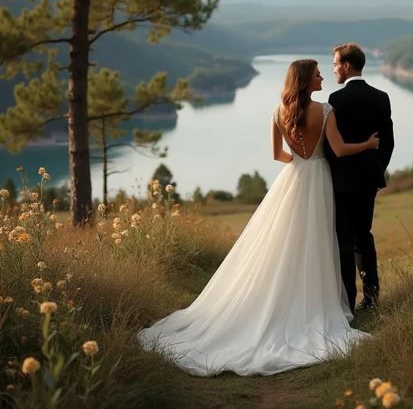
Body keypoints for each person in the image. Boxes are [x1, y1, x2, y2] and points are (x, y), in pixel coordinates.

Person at [137, 59, 378, 376]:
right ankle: (312, 304)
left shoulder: (279, 112)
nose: (322, 77)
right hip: (319, 180)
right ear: (306, 80)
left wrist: (300, 160)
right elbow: (341, 149)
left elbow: (277, 155)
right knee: (316, 241)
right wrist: (369, 144)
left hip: (293, 179)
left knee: (284, 241)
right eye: (317, 73)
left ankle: (280, 300)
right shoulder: (325, 111)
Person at [326, 43, 394, 312]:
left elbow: (331, 147)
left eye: (334, 64)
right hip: (367, 181)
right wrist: (375, 173)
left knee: (343, 240)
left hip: (341, 182)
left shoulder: (335, 100)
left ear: (346, 65)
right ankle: (372, 298)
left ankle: (347, 303)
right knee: (363, 236)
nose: (333, 69)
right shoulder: (382, 97)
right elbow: (388, 143)